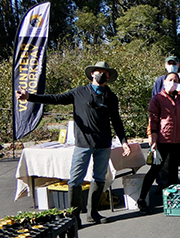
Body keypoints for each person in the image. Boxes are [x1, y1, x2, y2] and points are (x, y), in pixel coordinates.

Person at [16, 62, 131, 226]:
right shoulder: (80, 92)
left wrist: (124, 141)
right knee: (75, 179)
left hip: (103, 144)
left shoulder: (111, 97)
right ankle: (73, 216)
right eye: (98, 71)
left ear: (108, 77)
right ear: (92, 74)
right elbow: (55, 99)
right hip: (83, 143)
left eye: (105, 73)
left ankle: (93, 214)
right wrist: (30, 97)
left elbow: (117, 121)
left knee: (99, 178)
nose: (101, 74)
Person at [138, 72, 180, 212]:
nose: (173, 82)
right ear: (164, 82)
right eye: (170, 80)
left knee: (173, 171)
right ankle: (142, 199)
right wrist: (153, 138)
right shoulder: (157, 99)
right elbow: (153, 119)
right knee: (155, 169)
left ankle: (171, 201)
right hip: (163, 140)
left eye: (175, 80)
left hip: (179, 140)